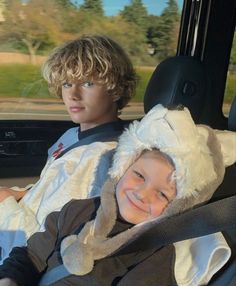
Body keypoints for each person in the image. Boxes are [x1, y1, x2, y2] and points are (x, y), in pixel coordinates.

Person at [0, 104, 235, 286]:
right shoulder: (77, 210)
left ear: (178, 206)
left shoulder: (155, 255)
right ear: (121, 170)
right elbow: (30, 255)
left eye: (163, 194)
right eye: (140, 176)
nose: (143, 194)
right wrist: (10, 279)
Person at [0, 34, 137, 263]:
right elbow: (51, 189)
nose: (73, 95)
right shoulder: (72, 135)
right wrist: (21, 193)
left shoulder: (103, 158)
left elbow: (41, 242)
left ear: (117, 89)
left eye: (87, 83)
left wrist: (5, 204)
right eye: (66, 84)